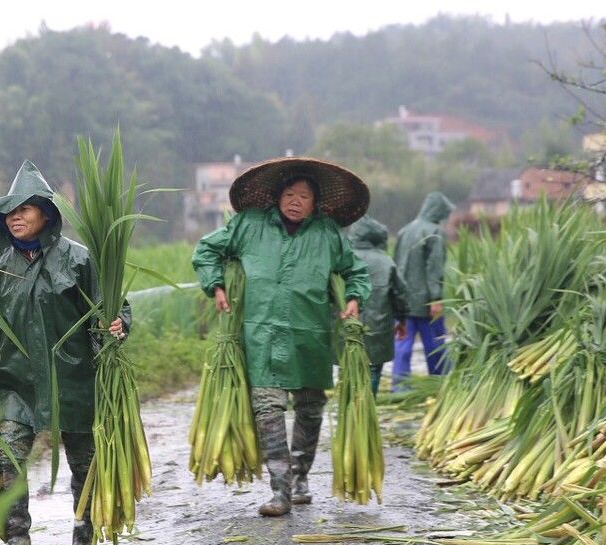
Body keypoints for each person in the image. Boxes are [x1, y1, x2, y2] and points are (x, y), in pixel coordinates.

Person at [0, 160, 129, 545]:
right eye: (9, 212)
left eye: (24, 210)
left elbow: (114, 307)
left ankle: (85, 536)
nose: (14, 218)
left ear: (46, 214)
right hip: (16, 381)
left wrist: (118, 323)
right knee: (7, 457)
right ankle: (17, 540)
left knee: (85, 463)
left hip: (74, 377)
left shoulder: (79, 260)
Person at [192, 157, 372, 517]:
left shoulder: (327, 233)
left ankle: (302, 477)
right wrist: (216, 286)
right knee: (267, 410)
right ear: (276, 198)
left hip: (311, 338)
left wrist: (354, 298)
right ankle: (281, 491)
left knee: (310, 409)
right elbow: (206, 249)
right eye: (289, 193)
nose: (295, 201)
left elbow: (356, 271)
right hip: (262, 336)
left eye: (303, 196)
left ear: (314, 203)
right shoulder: (248, 226)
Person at [392, 191, 455, 389]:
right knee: (436, 344)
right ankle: (439, 384)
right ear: (438, 211)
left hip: (402, 301)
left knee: (402, 346)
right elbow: (434, 268)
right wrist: (436, 299)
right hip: (425, 303)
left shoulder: (404, 231)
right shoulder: (435, 232)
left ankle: (400, 388)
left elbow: (395, 264)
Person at [345, 214, 407, 395]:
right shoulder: (386, 261)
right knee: (373, 368)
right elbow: (399, 294)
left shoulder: (343, 258)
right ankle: (367, 405)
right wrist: (401, 321)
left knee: (346, 366)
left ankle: (347, 408)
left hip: (347, 324)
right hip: (378, 325)